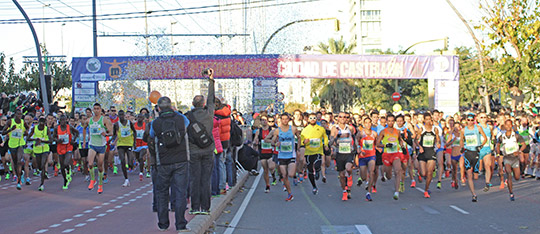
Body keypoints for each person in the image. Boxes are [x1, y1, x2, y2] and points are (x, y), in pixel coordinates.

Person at [150, 96, 190, 232]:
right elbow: (188, 123)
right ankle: (181, 224)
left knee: (162, 193)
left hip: (163, 161)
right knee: (180, 193)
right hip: (181, 160)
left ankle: (163, 224)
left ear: (159, 108)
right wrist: (175, 112)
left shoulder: (155, 123)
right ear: (172, 107)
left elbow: (150, 136)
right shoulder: (180, 119)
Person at [187, 68, 215, 215]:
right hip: (208, 150)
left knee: (194, 179)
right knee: (206, 179)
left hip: (193, 151)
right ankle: (206, 208)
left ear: (192, 103)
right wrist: (210, 80)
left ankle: (194, 207)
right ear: (204, 103)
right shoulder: (209, 113)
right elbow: (212, 98)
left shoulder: (187, 116)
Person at [266, 113, 299, 201]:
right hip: (281, 155)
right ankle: (289, 193)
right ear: (280, 120)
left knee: (291, 174)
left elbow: (299, 138)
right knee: (284, 175)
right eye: (283, 119)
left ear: (289, 119)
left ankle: (293, 175)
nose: (284, 121)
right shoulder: (277, 131)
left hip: (291, 154)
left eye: (286, 119)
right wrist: (275, 143)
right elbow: (272, 141)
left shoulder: (293, 129)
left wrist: (298, 147)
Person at [83, 103, 113, 194]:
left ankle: (100, 184)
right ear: (93, 110)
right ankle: (93, 180)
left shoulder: (104, 120)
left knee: (100, 166)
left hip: (101, 145)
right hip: (92, 144)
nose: (96, 110)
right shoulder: (89, 120)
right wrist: (84, 140)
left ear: (100, 110)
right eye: (94, 109)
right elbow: (84, 128)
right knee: (90, 163)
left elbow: (111, 132)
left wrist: (106, 134)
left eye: (98, 109)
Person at [376, 114, 407, 200]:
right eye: (389, 121)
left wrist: (402, 147)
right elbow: (377, 144)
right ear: (386, 121)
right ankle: (385, 175)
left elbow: (400, 140)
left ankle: (396, 191)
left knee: (398, 170)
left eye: (392, 121)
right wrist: (385, 145)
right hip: (386, 155)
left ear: (394, 121)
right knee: (389, 176)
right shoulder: (383, 132)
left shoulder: (397, 131)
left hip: (395, 154)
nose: (390, 122)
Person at [460, 113, 487, 202]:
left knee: (476, 176)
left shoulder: (478, 128)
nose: (470, 122)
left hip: (476, 152)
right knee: (469, 174)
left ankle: (474, 176)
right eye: (469, 120)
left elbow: (485, 138)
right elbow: (461, 140)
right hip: (468, 152)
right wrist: (461, 148)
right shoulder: (463, 130)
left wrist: (481, 146)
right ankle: (474, 194)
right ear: (466, 120)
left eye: (472, 120)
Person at [496, 119, 526, 201]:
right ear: (504, 126)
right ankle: (511, 193)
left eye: (510, 124)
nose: (508, 126)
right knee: (508, 173)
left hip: (515, 158)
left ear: (512, 125)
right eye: (507, 125)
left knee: (516, 177)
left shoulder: (516, 136)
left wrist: (519, 151)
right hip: (507, 158)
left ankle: (517, 171)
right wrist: (498, 154)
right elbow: (497, 145)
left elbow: (524, 144)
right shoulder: (501, 137)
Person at [300, 113, 329, 195]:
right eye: (311, 118)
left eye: (314, 118)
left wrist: (326, 145)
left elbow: (325, 137)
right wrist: (304, 142)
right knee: (309, 169)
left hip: (318, 151)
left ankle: (317, 171)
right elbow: (302, 140)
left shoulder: (321, 129)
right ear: (308, 119)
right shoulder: (305, 130)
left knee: (317, 165)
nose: (312, 119)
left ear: (316, 119)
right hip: (309, 152)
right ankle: (314, 186)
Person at [330, 112, 356, 201]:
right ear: (337, 118)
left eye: (345, 117)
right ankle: (344, 191)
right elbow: (330, 142)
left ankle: (349, 177)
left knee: (348, 168)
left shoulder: (350, 128)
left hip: (349, 152)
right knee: (341, 175)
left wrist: (357, 148)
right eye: (340, 117)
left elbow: (354, 139)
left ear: (347, 119)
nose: (342, 118)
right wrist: (336, 136)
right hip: (339, 153)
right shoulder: (334, 129)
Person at [415, 113, 441, 198]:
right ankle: (420, 173)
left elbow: (438, 139)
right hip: (423, 152)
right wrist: (419, 146)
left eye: (430, 119)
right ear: (424, 120)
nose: (428, 121)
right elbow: (415, 140)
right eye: (426, 119)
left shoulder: (435, 129)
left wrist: (438, 143)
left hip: (431, 152)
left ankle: (426, 190)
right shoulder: (421, 129)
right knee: (424, 173)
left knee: (430, 173)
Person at [2, 109, 29, 190]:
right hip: (12, 144)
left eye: (21, 115)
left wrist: (25, 133)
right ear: (15, 115)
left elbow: (27, 129)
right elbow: (3, 132)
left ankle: (18, 181)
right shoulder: (10, 122)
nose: (19, 116)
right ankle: (20, 174)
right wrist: (11, 129)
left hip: (20, 143)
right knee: (15, 162)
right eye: (18, 114)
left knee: (18, 161)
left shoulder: (22, 122)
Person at [53, 115, 79, 190]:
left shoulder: (69, 127)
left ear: (66, 120)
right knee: (62, 166)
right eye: (61, 120)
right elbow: (53, 137)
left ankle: (69, 168)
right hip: (60, 148)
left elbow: (76, 132)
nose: (63, 122)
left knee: (66, 162)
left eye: (64, 120)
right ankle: (65, 180)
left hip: (68, 147)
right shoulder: (56, 128)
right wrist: (57, 140)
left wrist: (73, 139)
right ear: (59, 121)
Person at [113, 110, 137, 187]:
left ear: (124, 115)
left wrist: (134, 142)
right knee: (122, 160)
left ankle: (132, 164)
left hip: (129, 144)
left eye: (122, 115)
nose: (121, 116)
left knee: (130, 161)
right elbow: (114, 135)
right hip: (121, 144)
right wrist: (111, 140)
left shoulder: (129, 123)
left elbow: (135, 132)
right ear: (118, 116)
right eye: (119, 115)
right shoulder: (116, 124)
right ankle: (126, 179)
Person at [27, 117, 52, 191]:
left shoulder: (46, 129)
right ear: (38, 123)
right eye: (40, 124)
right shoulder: (34, 128)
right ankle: (41, 171)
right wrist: (35, 140)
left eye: (43, 124)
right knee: (39, 166)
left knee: (43, 164)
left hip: (45, 149)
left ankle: (41, 184)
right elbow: (28, 138)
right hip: (37, 150)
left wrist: (43, 141)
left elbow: (50, 140)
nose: (42, 126)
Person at [253, 115, 276, 193]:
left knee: (271, 166)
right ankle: (267, 185)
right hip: (262, 152)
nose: (264, 121)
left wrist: (271, 141)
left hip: (271, 152)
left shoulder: (272, 130)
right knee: (265, 170)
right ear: (260, 121)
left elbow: (276, 139)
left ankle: (273, 174)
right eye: (262, 120)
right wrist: (255, 142)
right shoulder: (258, 131)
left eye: (266, 120)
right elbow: (255, 140)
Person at [356, 117, 377, 201]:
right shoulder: (361, 133)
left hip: (372, 155)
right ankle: (366, 181)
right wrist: (359, 149)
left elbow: (376, 143)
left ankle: (368, 192)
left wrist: (377, 147)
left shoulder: (374, 134)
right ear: (364, 124)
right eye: (366, 123)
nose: (368, 124)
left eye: (369, 122)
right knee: (363, 176)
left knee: (371, 172)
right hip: (362, 156)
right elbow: (356, 141)